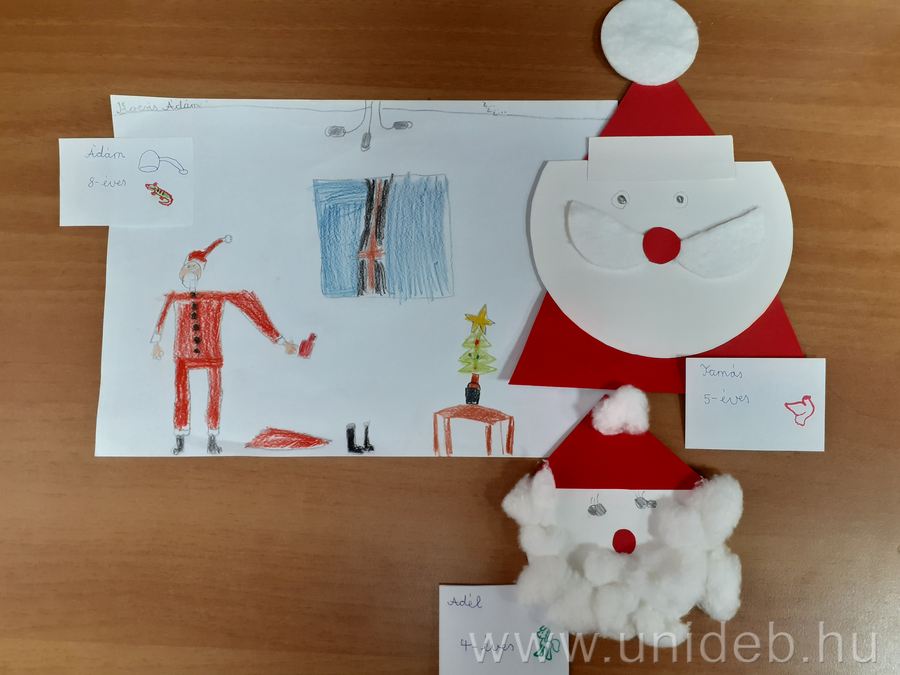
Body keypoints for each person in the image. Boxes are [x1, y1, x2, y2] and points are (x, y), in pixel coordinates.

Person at [151, 235, 297, 454]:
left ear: (202, 272)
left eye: (195, 267)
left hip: (211, 352)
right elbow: (162, 316)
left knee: (214, 393)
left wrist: (280, 340)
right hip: (183, 352)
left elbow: (251, 307)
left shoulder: (217, 295)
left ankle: (212, 436)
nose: (190, 270)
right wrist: (156, 342)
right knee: (181, 394)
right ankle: (180, 436)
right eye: (188, 266)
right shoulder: (175, 295)